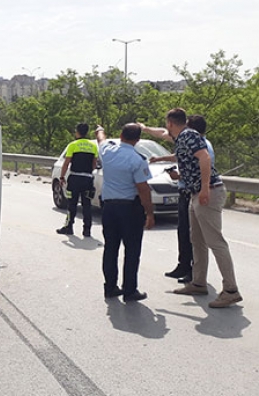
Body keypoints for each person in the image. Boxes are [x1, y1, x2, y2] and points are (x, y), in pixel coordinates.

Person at [165, 108, 242, 308]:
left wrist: (205, 189)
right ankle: (198, 282)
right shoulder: (182, 138)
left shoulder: (189, 134)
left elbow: (205, 158)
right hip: (195, 192)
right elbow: (190, 165)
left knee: (215, 242)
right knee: (197, 240)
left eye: (166, 124)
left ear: (171, 123)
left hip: (208, 192)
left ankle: (231, 290)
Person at [141, 115, 215, 284]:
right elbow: (175, 150)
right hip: (184, 190)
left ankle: (194, 272)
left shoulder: (204, 147)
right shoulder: (190, 141)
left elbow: (202, 168)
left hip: (193, 191)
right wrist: (159, 158)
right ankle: (183, 266)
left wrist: (181, 176)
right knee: (183, 231)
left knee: (194, 235)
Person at [96, 124, 155, 302]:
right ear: (137, 140)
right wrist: (150, 213)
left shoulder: (107, 150)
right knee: (132, 250)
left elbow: (101, 138)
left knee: (110, 249)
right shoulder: (137, 159)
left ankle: (110, 287)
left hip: (109, 208)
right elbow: (143, 189)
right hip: (130, 209)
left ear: (121, 135)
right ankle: (129, 290)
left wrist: (100, 129)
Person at [56, 123, 98, 237]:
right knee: (87, 205)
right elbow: (94, 163)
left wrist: (62, 177)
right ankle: (87, 230)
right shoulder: (93, 146)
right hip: (88, 179)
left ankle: (69, 227)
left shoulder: (73, 145)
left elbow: (66, 162)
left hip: (75, 178)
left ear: (77, 132)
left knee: (72, 204)